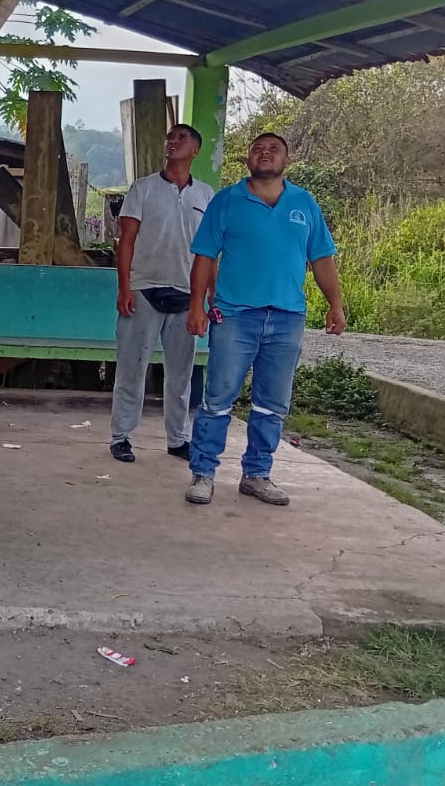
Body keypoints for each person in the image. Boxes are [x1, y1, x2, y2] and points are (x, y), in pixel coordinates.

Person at [182, 132, 346, 507]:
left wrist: (335, 304)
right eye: (258, 149)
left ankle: (256, 474)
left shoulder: (304, 203)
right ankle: (203, 473)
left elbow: (321, 259)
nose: (265, 153)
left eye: (274, 149)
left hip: (287, 318)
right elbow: (204, 257)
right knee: (218, 398)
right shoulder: (226, 201)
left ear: (287, 160)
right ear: (248, 159)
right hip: (235, 316)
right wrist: (196, 306)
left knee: (272, 403)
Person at [109, 124, 213, 464]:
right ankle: (121, 436)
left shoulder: (206, 195)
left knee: (181, 375)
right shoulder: (143, 188)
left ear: (195, 150)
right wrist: (125, 287)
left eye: (182, 138)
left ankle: (178, 439)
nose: (173, 141)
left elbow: (210, 252)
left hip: (187, 294)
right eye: (170, 137)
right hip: (143, 290)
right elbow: (126, 241)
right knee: (131, 369)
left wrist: (209, 296)